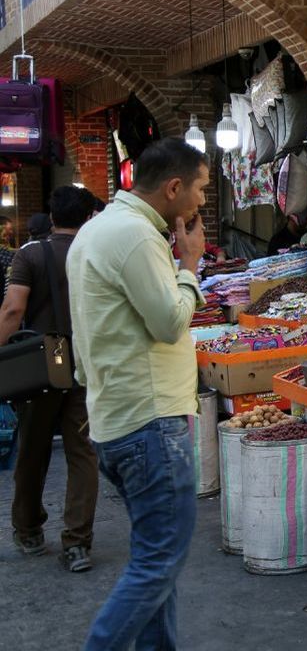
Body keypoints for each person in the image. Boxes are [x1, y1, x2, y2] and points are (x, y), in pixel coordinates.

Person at [67, 138, 208, 650]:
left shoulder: (96, 230)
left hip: (116, 418)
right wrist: (188, 265)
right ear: (173, 188)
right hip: (150, 425)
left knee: (156, 561)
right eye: (198, 189)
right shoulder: (134, 237)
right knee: (156, 564)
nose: (200, 203)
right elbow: (171, 321)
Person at [1, 187, 100, 571]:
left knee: (33, 450)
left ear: (51, 214)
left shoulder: (30, 254)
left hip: (44, 363)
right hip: (87, 359)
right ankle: (77, 543)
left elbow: (13, 310)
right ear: (89, 215)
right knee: (82, 452)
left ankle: (28, 531)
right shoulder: (95, 251)